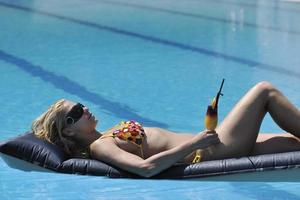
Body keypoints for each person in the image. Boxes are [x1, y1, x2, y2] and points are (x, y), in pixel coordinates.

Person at [31, 81, 300, 178]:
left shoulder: (106, 134)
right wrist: (193, 145)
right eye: (75, 114)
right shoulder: (100, 146)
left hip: (211, 144)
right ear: (67, 132)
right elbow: (145, 168)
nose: (84, 109)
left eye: (80, 105)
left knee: (293, 144)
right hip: (212, 152)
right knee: (265, 91)